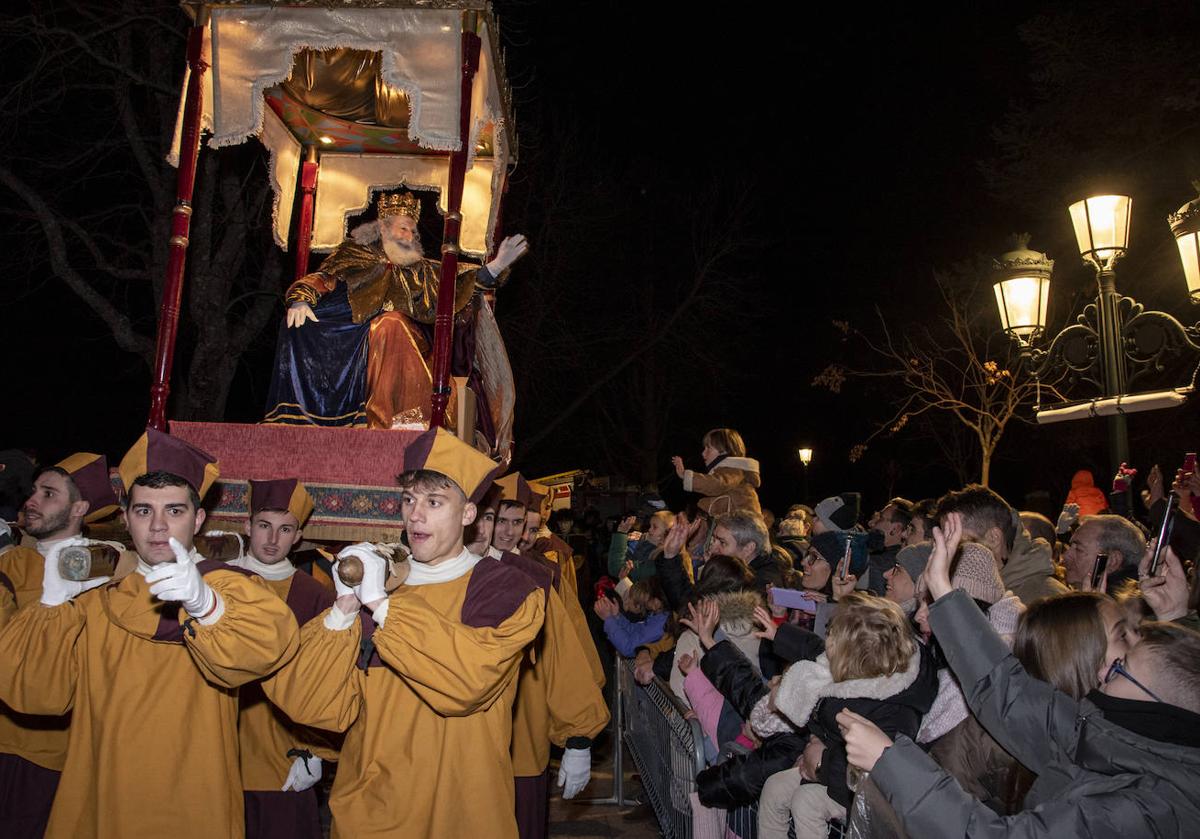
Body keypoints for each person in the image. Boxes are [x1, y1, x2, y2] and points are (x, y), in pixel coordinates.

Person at [0, 429, 300, 839]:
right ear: (125, 519)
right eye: (144, 512)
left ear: (198, 519)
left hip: (194, 802)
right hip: (100, 796)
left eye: (174, 511)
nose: (158, 527)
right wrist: (51, 606)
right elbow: (35, 695)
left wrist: (205, 605)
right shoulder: (97, 598)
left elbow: (268, 647)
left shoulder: (235, 589)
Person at [838, 511, 1200, 837]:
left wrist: (892, 763)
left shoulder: (1149, 809)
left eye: (1121, 665)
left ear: (1159, 709)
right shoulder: (1115, 738)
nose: (1106, 669)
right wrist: (945, 594)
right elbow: (1007, 691)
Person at [263, 428, 545, 838]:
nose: (415, 515)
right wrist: (343, 609)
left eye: (434, 502)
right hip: (374, 809)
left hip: (461, 810)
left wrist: (381, 606)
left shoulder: (507, 588)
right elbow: (313, 705)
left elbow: (467, 681)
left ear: (468, 514)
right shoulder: (379, 586)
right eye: (409, 500)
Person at [267, 190, 528, 434]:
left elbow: (458, 283)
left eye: (413, 231)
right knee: (299, 326)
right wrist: (300, 299)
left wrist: (493, 268)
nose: (409, 236)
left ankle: (405, 420)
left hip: (410, 340)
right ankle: (310, 418)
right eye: (404, 228)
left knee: (389, 325)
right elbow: (324, 278)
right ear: (383, 227)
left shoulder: (422, 269)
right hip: (354, 334)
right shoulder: (356, 255)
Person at [0, 453, 120, 838]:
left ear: (79, 507)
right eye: (33, 491)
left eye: (48, 493)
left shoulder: (108, 572)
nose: (32, 500)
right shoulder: (11, 564)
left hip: (55, 756)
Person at [762, 591, 936, 838]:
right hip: (832, 762)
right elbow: (816, 651)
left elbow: (881, 773)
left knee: (806, 802)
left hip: (858, 789)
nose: (827, 639)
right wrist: (780, 634)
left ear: (853, 652)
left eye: (832, 634)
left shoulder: (894, 710)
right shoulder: (866, 665)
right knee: (775, 787)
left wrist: (821, 765)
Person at [227, 478, 338, 839]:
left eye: (285, 529)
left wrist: (316, 750)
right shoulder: (215, 580)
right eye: (264, 526)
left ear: (298, 536)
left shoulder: (313, 594)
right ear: (247, 526)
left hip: (282, 751)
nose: (273, 539)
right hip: (216, 745)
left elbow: (324, 679)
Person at [935, 484, 1067, 605]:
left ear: (994, 538)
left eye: (957, 544)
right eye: (945, 544)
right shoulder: (966, 585)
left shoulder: (1050, 602)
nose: (946, 553)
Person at [671, 427, 762, 516]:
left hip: (743, 524)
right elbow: (722, 501)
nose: (703, 453)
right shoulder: (730, 472)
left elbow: (716, 484)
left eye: (708, 448)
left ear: (724, 451)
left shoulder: (734, 470)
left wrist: (685, 475)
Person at [1061, 513, 1146, 592]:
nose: (1065, 556)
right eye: (1070, 547)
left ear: (1112, 561)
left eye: (1079, 549)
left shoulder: (1117, 607)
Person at [866, 498, 913, 595]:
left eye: (881, 518)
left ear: (896, 529)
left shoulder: (875, 564)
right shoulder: (904, 560)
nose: (871, 523)